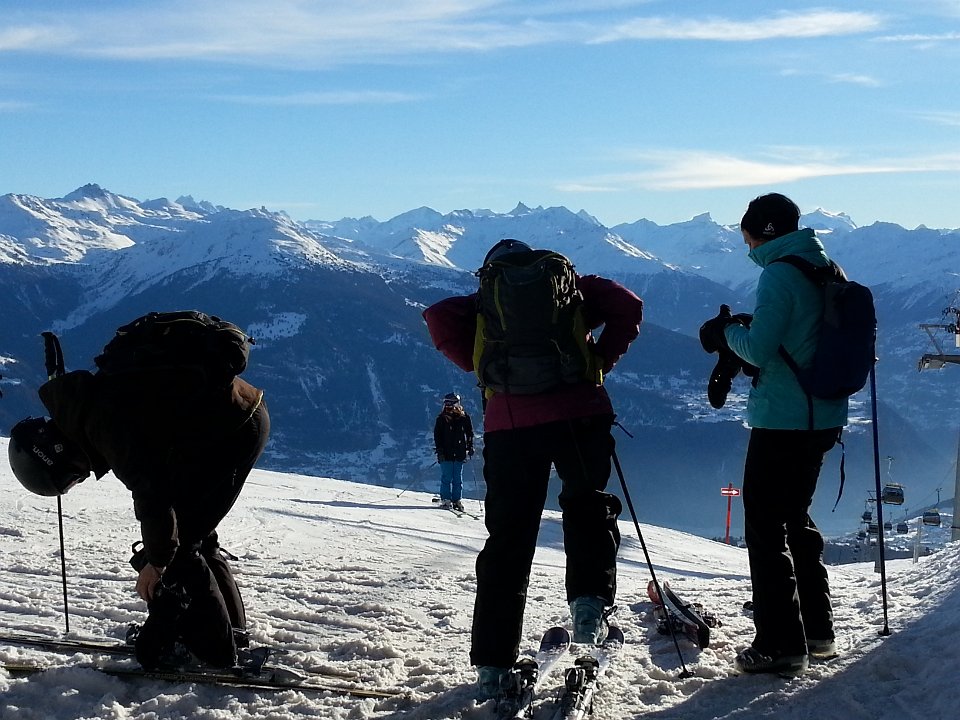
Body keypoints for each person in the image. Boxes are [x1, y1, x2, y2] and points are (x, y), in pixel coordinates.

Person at [423, 239, 643, 699]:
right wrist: (599, 361)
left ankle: (492, 663)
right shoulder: (573, 287)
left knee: (509, 538)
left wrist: (483, 367)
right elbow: (629, 305)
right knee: (587, 506)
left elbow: (437, 316)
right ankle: (588, 609)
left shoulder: (484, 301)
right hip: (581, 414)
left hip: (511, 423)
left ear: (491, 274)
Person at [7, 316, 269, 671]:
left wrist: (156, 562)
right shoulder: (83, 410)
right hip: (238, 415)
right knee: (195, 537)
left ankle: (215, 653)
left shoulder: (104, 429)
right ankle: (229, 636)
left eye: (72, 477)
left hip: (231, 431)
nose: (82, 478)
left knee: (182, 547)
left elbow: (152, 496)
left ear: (59, 458)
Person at [699, 193, 846, 676]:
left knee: (765, 528)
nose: (746, 246)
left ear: (762, 232)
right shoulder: (824, 266)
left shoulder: (779, 273)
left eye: (747, 237)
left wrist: (725, 333)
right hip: (822, 416)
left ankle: (780, 644)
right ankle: (817, 631)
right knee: (795, 518)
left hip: (782, 420)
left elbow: (759, 350)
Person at [434, 392, 474, 511]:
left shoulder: (464, 418)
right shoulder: (441, 419)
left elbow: (469, 433)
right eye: (446, 403)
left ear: (456, 404)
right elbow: (437, 436)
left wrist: (470, 446)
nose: (447, 406)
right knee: (447, 477)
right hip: (446, 453)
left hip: (458, 453)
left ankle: (456, 499)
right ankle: (446, 499)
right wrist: (439, 450)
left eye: (450, 403)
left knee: (457, 478)